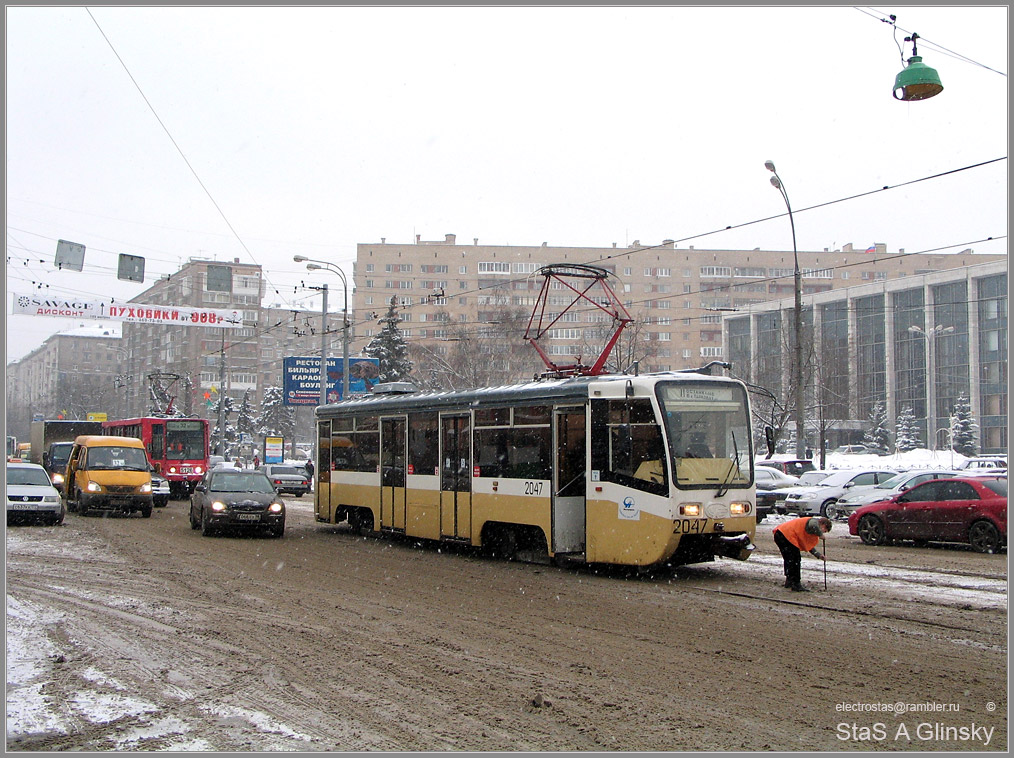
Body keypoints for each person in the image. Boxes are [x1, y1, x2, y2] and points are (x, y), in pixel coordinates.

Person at [772, 516, 832, 592]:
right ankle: (796, 584)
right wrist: (820, 535)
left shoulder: (812, 531)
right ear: (823, 524)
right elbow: (813, 525)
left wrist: (819, 555)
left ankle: (790, 580)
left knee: (789, 559)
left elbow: (808, 546)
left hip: (780, 534)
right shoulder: (813, 522)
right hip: (786, 535)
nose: (823, 532)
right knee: (795, 559)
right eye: (824, 530)